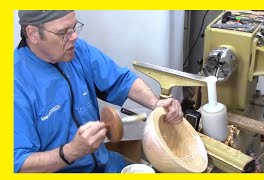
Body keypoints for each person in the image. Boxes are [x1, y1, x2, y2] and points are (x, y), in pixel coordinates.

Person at [14, 10, 183, 173]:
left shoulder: (77, 50)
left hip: (105, 163)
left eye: (74, 27)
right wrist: (72, 151)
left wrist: (156, 103)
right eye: (63, 33)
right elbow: (19, 165)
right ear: (33, 34)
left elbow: (121, 80)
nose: (74, 36)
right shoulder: (15, 84)